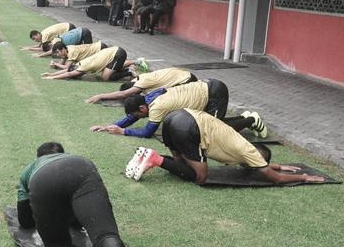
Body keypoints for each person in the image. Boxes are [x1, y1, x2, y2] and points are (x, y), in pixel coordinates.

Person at [127, 109, 326, 185]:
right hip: (189, 127)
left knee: (183, 167)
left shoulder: (244, 148)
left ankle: (146, 157)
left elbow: (260, 166)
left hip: (174, 118)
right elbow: (276, 180)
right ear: (258, 159)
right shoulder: (250, 153)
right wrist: (304, 177)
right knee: (200, 176)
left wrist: (279, 165)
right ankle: (155, 158)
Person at [90, 79, 267, 139]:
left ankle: (252, 120)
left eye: (139, 114)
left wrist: (123, 132)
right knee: (207, 127)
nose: (139, 117)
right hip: (204, 91)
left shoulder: (157, 107)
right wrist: (110, 126)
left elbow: (147, 133)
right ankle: (245, 117)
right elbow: (133, 117)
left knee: (215, 130)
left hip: (214, 92)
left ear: (143, 107)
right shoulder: (148, 98)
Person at [85, 67, 196, 104]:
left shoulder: (143, 82)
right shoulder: (138, 78)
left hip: (186, 80)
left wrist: (100, 96)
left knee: (161, 101)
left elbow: (123, 94)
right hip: (183, 74)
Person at [41, 47, 143, 81]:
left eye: (77, 74)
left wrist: (52, 78)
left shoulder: (83, 67)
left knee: (105, 77)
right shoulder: (79, 64)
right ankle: (136, 62)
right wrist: (51, 74)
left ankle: (129, 71)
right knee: (107, 70)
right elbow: (68, 70)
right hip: (113, 52)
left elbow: (69, 73)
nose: (78, 75)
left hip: (117, 54)